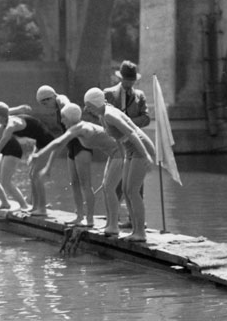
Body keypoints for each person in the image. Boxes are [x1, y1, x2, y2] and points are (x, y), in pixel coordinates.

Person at [32, 103, 124, 233]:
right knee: (101, 187)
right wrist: (48, 165)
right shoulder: (76, 127)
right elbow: (61, 143)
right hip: (112, 154)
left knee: (103, 187)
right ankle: (101, 222)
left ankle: (94, 220)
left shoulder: (82, 128)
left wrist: (39, 154)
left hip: (120, 153)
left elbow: (58, 142)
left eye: (63, 118)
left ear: (70, 117)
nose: (62, 121)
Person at [84, 88, 154, 242]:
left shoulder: (109, 114)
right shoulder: (103, 115)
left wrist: (146, 155)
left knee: (133, 190)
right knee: (125, 189)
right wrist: (124, 158)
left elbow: (131, 132)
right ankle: (135, 231)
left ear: (96, 103)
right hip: (129, 150)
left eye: (88, 105)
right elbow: (118, 139)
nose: (86, 109)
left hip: (140, 147)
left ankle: (140, 233)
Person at [0, 102, 55, 216]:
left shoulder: (11, 125)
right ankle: (35, 207)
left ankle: (42, 209)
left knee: (35, 175)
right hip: (39, 142)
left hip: (48, 143)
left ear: (0, 116)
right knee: (32, 175)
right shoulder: (3, 124)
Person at [36, 85, 93, 225]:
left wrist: (66, 107)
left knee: (85, 183)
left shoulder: (61, 100)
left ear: (52, 97)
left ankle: (90, 219)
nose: (45, 106)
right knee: (74, 182)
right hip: (71, 146)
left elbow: (66, 102)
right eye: (41, 104)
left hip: (81, 144)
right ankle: (79, 216)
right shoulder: (57, 109)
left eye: (45, 102)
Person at [104, 60, 150, 229]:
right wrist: (116, 125)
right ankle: (113, 220)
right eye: (127, 80)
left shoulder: (140, 95)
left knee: (136, 184)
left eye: (132, 80)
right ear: (121, 78)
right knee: (115, 183)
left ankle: (135, 221)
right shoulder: (108, 94)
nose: (130, 83)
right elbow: (100, 115)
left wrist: (126, 122)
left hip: (134, 141)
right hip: (117, 143)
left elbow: (146, 118)